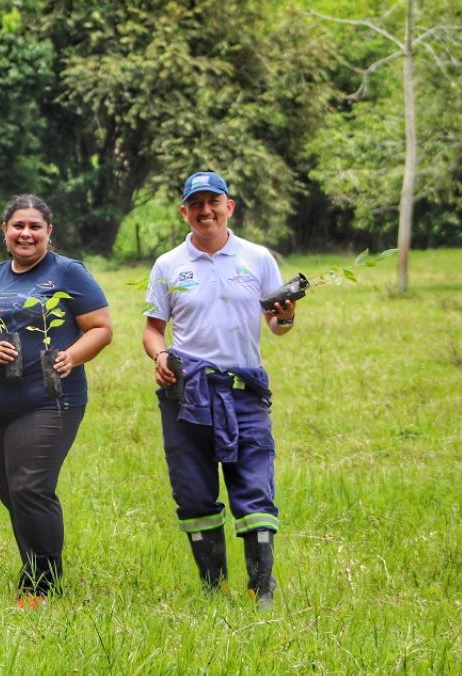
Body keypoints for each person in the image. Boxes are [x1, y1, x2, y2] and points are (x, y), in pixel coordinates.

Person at [0, 194, 112, 608]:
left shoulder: (67, 273)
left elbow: (100, 328)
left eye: (34, 227)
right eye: (18, 226)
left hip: (50, 398)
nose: (26, 233)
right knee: (12, 494)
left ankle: (41, 582)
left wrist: (72, 356)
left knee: (30, 486)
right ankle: (37, 569)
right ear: (5, 231)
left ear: (48, 233)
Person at [142, 171, 295, 608]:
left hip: (244, 391)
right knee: (192, 489)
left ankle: (259, 592)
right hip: (186, 393)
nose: (205, 211)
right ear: (184, 211)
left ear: (230, 206)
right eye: (196, 204)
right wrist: (159, 356)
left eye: (214, 202)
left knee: (254, 487)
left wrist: (286, 316)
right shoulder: (169, 265)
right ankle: (214, 590)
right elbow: (153, 330)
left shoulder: (258, 258)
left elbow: (277, 324)